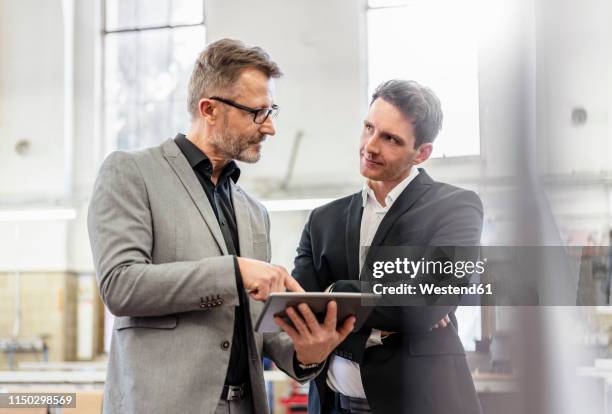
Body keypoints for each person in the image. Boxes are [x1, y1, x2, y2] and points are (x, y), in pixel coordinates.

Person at [88, 38, 354, 414]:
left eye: (271, 110)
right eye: (257, 113)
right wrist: (235, 272)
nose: (270, 127)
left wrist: (305, 353)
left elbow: (258, 324)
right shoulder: (131, 172)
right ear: (209, 109)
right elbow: (121, 285)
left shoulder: (253, 211)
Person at [291, 80, 484, 413]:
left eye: (390, 139)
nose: (371, 146)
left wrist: (337, 292)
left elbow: (429, 302)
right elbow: (303, 310)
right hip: (333, 405)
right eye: (369, 128)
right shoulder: (322, 220)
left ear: (421, 153)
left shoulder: (456, 207)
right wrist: (396, 300)